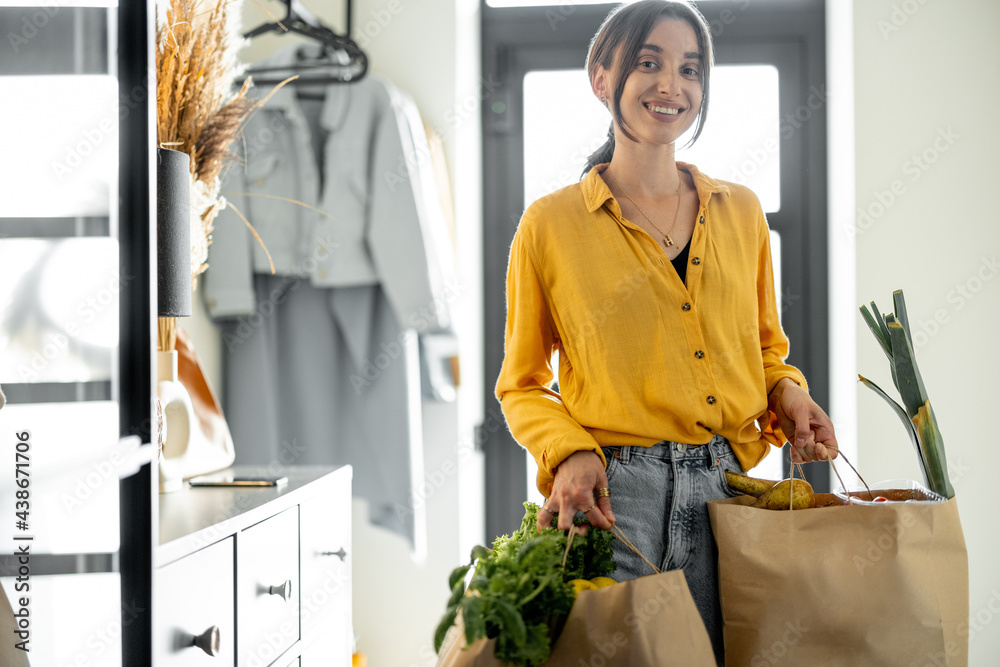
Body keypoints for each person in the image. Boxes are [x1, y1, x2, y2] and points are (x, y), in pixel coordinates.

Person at [494, 0, 839, 662]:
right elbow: (522, 384)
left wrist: (789, 392)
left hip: (731, 498)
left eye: (689, 69)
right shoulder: (549, 225)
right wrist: (570, 450)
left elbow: (766, 352)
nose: (670, 86)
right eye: (648, 63)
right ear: (603, 77)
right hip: (617, 504)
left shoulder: (739, 212)